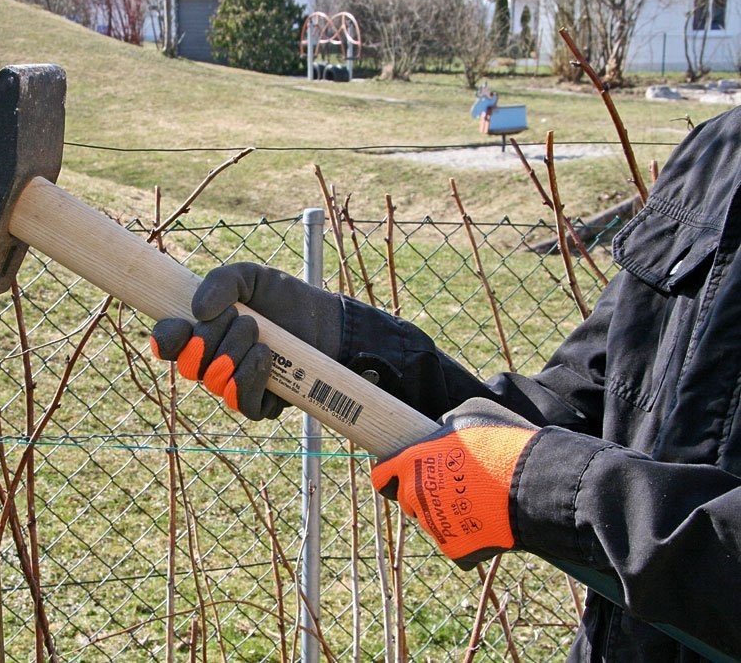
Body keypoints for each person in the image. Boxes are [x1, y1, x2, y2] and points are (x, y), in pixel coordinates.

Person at [149, 105, 741, 662]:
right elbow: (574, 408)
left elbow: (553, 469)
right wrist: (345, 350)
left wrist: (545, 486)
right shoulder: (719, 155)